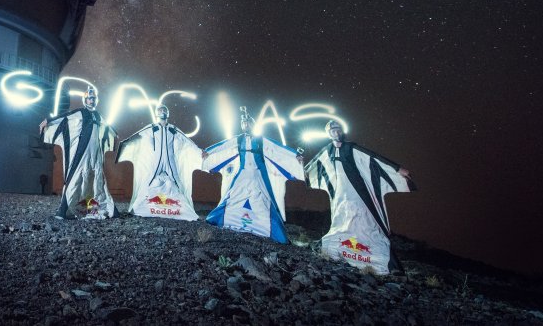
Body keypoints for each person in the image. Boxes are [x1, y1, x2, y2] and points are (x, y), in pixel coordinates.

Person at [305, 120, 416, 274]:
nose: (336, 132)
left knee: (365, 220)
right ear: (328, 133)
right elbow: (311, 167)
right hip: (340, 196)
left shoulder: (351, 148)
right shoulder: (327, 151)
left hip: (357, 192)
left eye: (338, 129)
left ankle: (382, 260)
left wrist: (397, 169)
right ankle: (341, 249)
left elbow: (374, 158)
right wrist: (298, 165)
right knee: (341, 220)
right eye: (333, 130)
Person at [202, 111, 304, 243]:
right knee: (232, 196)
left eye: (248, 122)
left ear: (252, 124)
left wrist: (295, 155)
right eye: (243, 123)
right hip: (243, 174)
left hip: (258, 176)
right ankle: (217, 219)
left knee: (264, 200)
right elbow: (224, 145)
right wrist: (208, 152)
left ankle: (272, 231)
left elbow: (278, 148)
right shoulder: (239, 139)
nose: (245, 125)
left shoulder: (261, 140)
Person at [39, 87, 117, 220]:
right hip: (82, 152)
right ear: (85, 100)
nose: (92, 101)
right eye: (89, 98)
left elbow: (107, 127)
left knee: (98, 179)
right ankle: (64, 209)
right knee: (74, 178)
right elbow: (65, 116)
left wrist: (114, 134)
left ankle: (105, 207)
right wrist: (48, 120)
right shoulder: (81, 112)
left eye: (93, 99)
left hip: (96, 154)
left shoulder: (98, 115)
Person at [115, 105, 202, 221]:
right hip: (157, 161)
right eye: (160, 111)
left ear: (168, 113)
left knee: (177, 182)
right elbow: (137, 135)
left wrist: (199, 151)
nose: (162, 112)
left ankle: (188, 210)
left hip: (170, 160)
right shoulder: (152, 128)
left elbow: (186, 140)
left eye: (164, 110)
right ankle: (135, 208)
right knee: (148, 181)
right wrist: (125, 142)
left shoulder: (173, 129)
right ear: (157, 113)